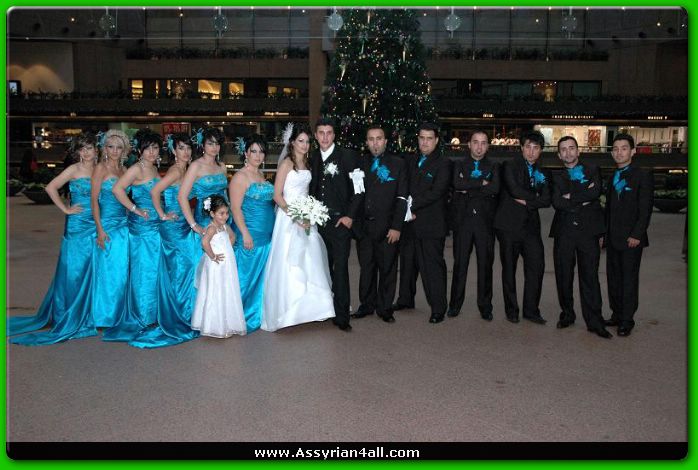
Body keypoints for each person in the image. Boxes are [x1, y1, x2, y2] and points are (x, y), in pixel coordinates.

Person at [8, 132, 99, 345]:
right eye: (83, 148)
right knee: (74, 268)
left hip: (96, 222)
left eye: (90, 148)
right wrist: (66, 209)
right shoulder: (74, 169)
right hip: (77, 225)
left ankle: (88, 312)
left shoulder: (99, 169)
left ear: (96, 150)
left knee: (92, 267)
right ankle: (67, 312)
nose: (87, 152)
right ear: (78, 152)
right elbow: (51, 188)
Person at [129, 132, 201, 348]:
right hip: (174, 227)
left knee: (184, 270)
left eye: (188, 148)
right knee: (181, 270)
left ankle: (183, 312)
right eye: (181, 148)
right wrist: (162, 214)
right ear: (173, 150)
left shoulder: (185, 169)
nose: (185, 152)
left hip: (182, 225)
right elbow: (155, 192)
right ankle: (179, 315)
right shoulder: (176, 170)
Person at [263, 123, 335, 331]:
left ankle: (316, 309)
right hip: (289, 217)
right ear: (292, 142)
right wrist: (295, 216)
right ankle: (289, 311)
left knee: (311, 259)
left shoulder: (309, 163)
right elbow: (277, 195)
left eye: (307, 141)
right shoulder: (287, 163)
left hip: (307, 216)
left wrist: (310, 212)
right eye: (300, 141)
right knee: (290, 261)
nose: (304, 145)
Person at [103, 129, 162, 341]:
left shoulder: (154, 168)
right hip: (142, 228)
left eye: (155, 148)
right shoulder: (136, 169)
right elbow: (117, 189)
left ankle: (152, 313)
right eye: (148, 149)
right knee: (143, 271)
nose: (152, 152)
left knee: (153, 270)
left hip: (156, 226)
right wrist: (135, 208)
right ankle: (142, 316)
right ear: (140, 150)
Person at [549, 136, 612, 339]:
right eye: (563, 149)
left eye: (571, 148)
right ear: (559, 155)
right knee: (563, 275)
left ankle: (594, 321)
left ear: (578, 151)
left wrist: (570, 196)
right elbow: (557, 202)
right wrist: (582, 197)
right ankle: (567, 314)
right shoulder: (556, 176)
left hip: (588, 231)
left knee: (590, 276)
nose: (568, 152)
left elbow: (595, 193)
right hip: (564, 231)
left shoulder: (592, 170)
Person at [310, 118, 363, 332]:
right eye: (321, 133)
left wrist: (349, 216)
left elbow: (359, 189)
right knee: (323, 268)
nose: (325, 137)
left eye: (329, 133)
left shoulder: (348, 156)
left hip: (340, 223)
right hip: (318, 223)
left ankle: (342, 317)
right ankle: (325, 309)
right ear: (316, 135)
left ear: (334, 135)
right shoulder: (312, 157)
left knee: (340, 269)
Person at [493, 130, 551, 325]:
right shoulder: (509, 165)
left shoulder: (544, 172)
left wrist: (527, 201)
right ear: (521, 148)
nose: (531, 152)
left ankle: (531, 310)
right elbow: (514, 190)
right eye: (528, 147)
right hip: (508, 226)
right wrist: (536, 198)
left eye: (536, 148)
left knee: (537, 267)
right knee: (509, 269)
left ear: (541, 150)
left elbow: (547, 200)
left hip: (531, 228)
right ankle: (512, 310)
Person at [352, 125, 408, 324]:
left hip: (388, 228)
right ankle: (366, 305)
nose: (375, 143)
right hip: (364, 228)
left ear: (385, 141)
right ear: (366, 142)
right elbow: (355, 194)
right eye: (371, 139)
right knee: (366, 268)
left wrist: (397, 226)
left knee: (387, 269)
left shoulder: (398, 164)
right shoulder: (359, 163)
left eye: (379, 138)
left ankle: (385, 308)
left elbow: (401, 197)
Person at [603, 133, 653, 337]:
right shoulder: (612, 176)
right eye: (615, 149)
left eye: (624, 148)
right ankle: (616, 314)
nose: (619, 152)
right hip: (613, 238)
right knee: (613, 278)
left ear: (632, 151)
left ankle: (627, 319)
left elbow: (645, 209)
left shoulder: (642, 175)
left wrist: (637, 234)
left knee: (629, 280)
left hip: (631, 239)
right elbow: (609, 209)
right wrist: (604, 234)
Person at [448, 130, 500, 321]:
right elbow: (457, 184)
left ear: (488, 146)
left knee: (485, 266)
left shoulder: (494, 166)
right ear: (469, 144)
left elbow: (495, 188)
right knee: (460, 264)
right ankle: (455, 305)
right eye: (475, 142)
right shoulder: (459, 164)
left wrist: (468, 186)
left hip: (485, 223)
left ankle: (485, 306)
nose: (479, 146)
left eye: (483, 143)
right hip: (463, 222)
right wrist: (481, 183)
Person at [405, 122, 452, 324]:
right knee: (408, 263)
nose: (425, 142)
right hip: (409, 223)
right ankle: (405, 299)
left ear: (436, 140)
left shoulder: (444, 163)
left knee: (432, 267)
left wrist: (410, 207)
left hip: (431, 224)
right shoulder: (411, 160)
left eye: (429, 139)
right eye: (422, 138)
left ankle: (438, 308)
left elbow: (437, 192)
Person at [228, 134, 275, 333]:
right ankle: (236, 317)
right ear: (245, 153)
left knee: (259, 278)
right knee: (245, 278)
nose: (258, 155)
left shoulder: (260, 175)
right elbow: (235, 208)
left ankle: (254, 313)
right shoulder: (240, 177)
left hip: (265, 235)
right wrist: (245, 233)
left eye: (261, 152)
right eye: (253, 151)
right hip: (250, 235)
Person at [191, 195, 246, 338]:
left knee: (226, 288)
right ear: (212, 214)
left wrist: (227, 248)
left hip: (227, 264)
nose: (225, 216)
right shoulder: (212, 228)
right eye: (221, 213)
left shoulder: (224, 226)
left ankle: (228, 323)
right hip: (216, 264)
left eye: (227, 213)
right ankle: (214, 325)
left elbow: (233, 236)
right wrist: (213, 256)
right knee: (216, 290)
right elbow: (204, 243)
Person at [178, 127, 230, 237]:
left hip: (223, 216)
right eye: (210, 144)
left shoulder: (222, 166)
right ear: (203, 145)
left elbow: (225, 193)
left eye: (217, 144)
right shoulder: (195, 166)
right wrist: (193, 225)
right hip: (204, 217)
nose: (214, 147)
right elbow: (182, 196)